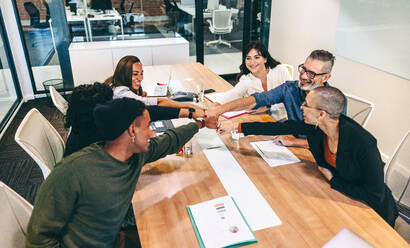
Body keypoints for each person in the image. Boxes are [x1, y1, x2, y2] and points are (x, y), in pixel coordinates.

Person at [26, 98, 206, 247]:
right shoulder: (72, 172)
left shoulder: (135, 155)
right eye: (148, 126)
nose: (152, 133)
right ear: (132, 131)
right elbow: (37, 240)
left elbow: (168, 141)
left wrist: (200, 124)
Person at [218, 86, 398, 227]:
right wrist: (236, 127)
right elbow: (280, 127)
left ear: (321, 114)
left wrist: (334, 180)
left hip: (369, 210)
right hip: (335, 197)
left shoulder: (363, 143)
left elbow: (375, 195)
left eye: (306, 105)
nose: (301, 108)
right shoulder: (316, 128)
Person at [206, 49, 338, 149]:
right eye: (303, 69)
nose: (303, 76)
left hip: (314, 152)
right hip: (288, 143)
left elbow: (331, 142)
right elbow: (258, 99)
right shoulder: (289, 88)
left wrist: (295, 142)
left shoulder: (334, 101)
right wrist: (220, 110)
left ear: (326, 77)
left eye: (311, 74)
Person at [64, 82, 204, 157]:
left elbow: (146, 112)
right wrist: (198, 124)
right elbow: (159, 146)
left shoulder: (81, 128)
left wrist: (189, 113)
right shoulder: (107, 148)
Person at [104, 55, 202, 112]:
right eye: (135, 74)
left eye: (141, 73)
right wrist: (190, 107)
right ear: (124, 74)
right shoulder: (122, 94)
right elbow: (159, 102)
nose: (141, 78)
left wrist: (139, 96)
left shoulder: (115, 84)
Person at [214, 41, 290, 105]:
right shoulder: (246, 80)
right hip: (263, 119)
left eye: (257, 57)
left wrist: (268, 107)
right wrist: (216, 106)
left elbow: (291, 98)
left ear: (265, 59)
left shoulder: (281, 71)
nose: (252, 62)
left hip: (286, 119)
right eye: (248, 58)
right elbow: (231, 96)